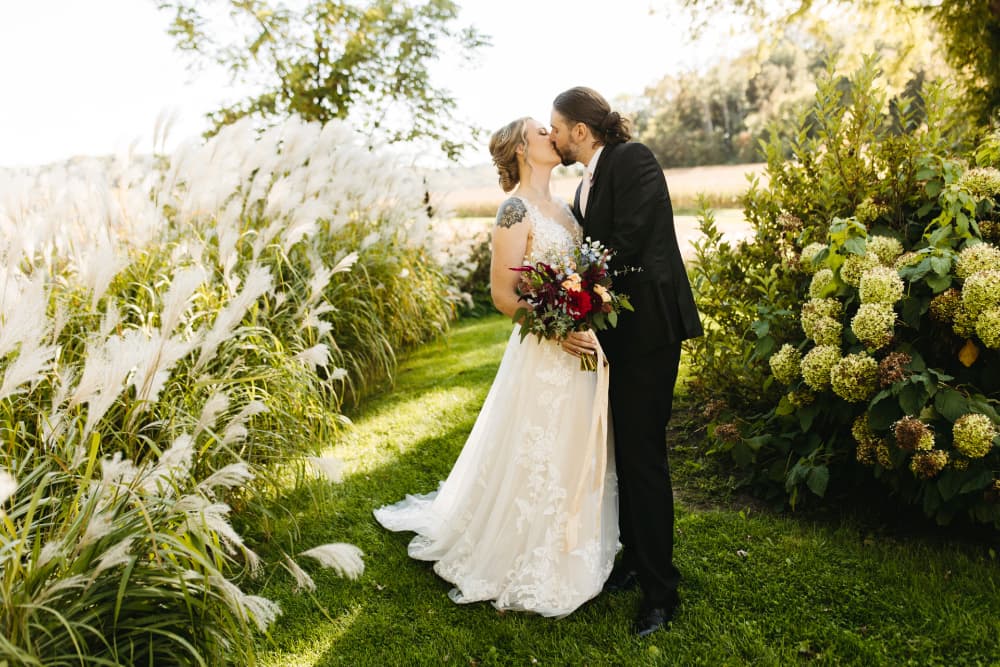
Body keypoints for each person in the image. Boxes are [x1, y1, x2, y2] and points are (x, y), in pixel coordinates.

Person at [373, 117, 618, 618]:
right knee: (534, 447)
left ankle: (571, 539)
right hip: (545, 351)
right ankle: (517, 548)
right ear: (523, 150)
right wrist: (558, 329)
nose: (553, 135)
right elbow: (502, 296)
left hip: (578, 352)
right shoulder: (514, 210)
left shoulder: (568, 212)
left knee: (571, 447)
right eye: (540, 130)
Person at [550, 86, 704, 637]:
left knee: (644, 458)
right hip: (617, 335)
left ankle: (662, 592)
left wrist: (577, 294)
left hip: (651, 333)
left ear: (581, 131)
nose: (554, 137)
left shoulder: (632, 159)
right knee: (625, 451)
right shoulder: (582, 184)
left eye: (558, 128)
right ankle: (635, 559)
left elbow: (629, 242)